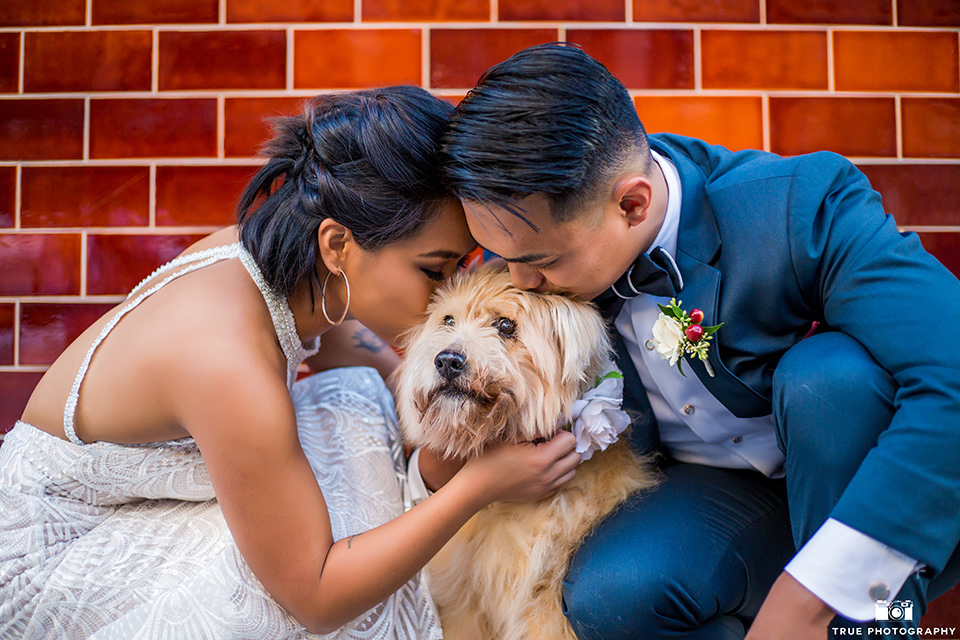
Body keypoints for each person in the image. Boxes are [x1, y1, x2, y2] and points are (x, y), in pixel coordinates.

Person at [0, 86, 580, 639]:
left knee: (357, 412)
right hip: (55, 561)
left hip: (125, 500)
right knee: (310, 556)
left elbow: (346, 343)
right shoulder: (227, 363)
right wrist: (477, 486)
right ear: (337, 245)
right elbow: (316, 596)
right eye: (434, 270)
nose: (445, 294)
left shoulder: (278, 259)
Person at [432, 43, 960, 639]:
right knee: (613, 591)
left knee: (829, 377)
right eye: (505, 259)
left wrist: (811, 593)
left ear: (632, 204)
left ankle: (878, 628)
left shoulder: (800, 206)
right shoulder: (530, 232)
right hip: (712, 498)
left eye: (541, 263)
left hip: (863, 484)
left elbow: (953, 374)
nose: (519, 282)